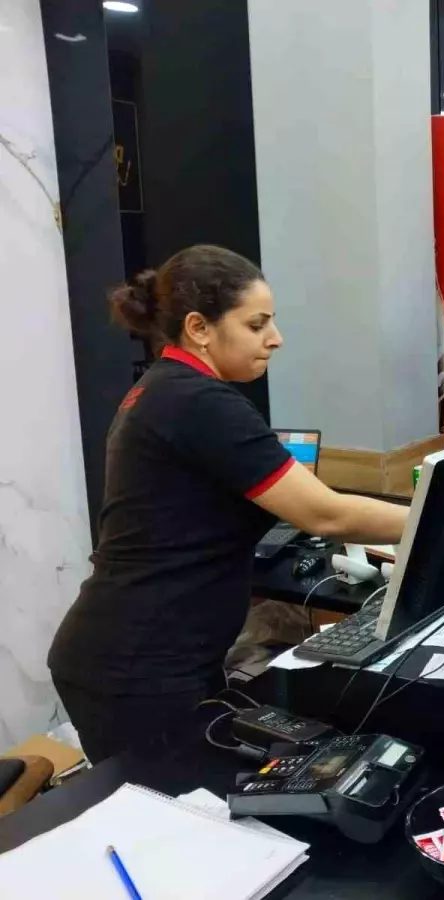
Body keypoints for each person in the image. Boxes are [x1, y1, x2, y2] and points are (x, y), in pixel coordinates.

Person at [48, 245, 410, 763]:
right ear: (199, 328)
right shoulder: (197, 401)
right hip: (137, 664)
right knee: (174, 802)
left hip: (148, 654)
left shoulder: (167, 390)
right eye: (256, 324)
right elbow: (325, 513)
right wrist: (437, 515)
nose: (275, 338)